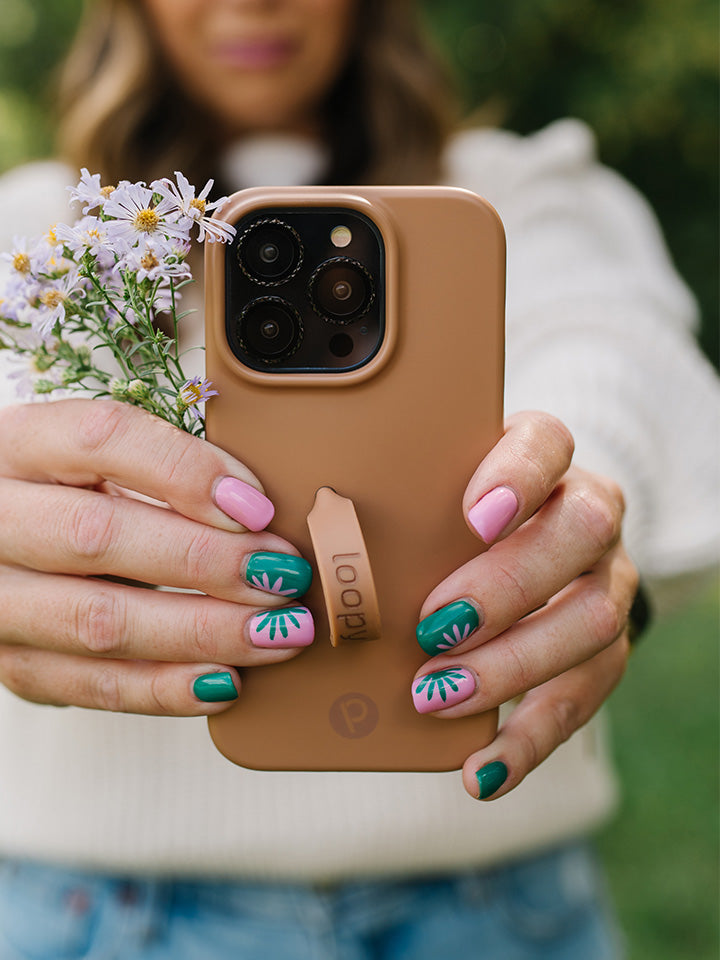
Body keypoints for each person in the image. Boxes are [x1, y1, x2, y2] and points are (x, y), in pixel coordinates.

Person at [0, 1, 717, 957]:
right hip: (97, 920)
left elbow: (612, 349)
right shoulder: (39, 233)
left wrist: (578, 492)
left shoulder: (513, 192)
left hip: (495, 916)